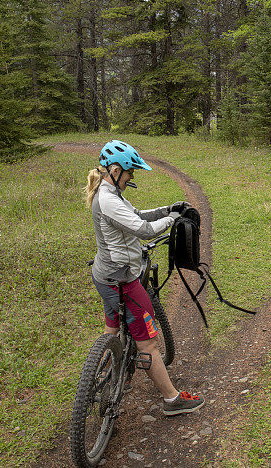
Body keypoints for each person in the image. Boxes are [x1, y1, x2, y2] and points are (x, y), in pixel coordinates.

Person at [83, 139, 204, 416]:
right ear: (115, 170)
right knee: (148, 342)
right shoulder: (108, 199)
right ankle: (172, 400)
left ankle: (108, 375)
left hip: (105, 278)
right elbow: (144, 229)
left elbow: (136, 215)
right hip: (123, 280)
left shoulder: (110, 194)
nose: (132, 176)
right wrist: (173, 220)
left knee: (112, 329)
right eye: (130, 171)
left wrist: (165, 210)